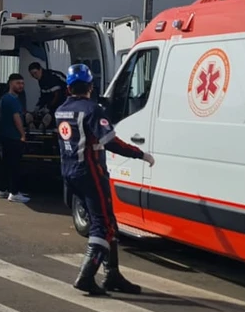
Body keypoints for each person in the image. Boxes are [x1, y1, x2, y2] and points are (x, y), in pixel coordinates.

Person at [55, 64, 154, 296]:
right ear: (90, 86)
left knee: (108, 222)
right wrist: (140, 154)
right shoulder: (92, 110)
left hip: (69, 172)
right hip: (90, 172)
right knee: (103, 225)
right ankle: (86, 276)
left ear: (68, 88)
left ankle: (112, 275)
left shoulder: (61, 110)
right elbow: (110, 141)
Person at [0, 74, 30, 203]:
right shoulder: (13, 100)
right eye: (18, 83)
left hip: (5, 136)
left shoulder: (4, 98)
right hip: (14, 137)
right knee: (15, 166)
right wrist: (22, 134)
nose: (21, 86)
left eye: (22, 83)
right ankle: (14, 193)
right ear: (10, 83)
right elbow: (16, 119)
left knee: (5, 164)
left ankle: (1, 189)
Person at [28, 61, 68, 130]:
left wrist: (48, 107)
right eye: (32, 75)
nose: (34, 76)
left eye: (35, 73)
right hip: (56, 99)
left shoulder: (51, 77)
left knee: (51, 114)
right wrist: (38, 107)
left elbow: (57, 95)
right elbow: (44, 95)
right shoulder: (41, 80)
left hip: (65, 97)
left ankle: (44, 126)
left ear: (40, 69)